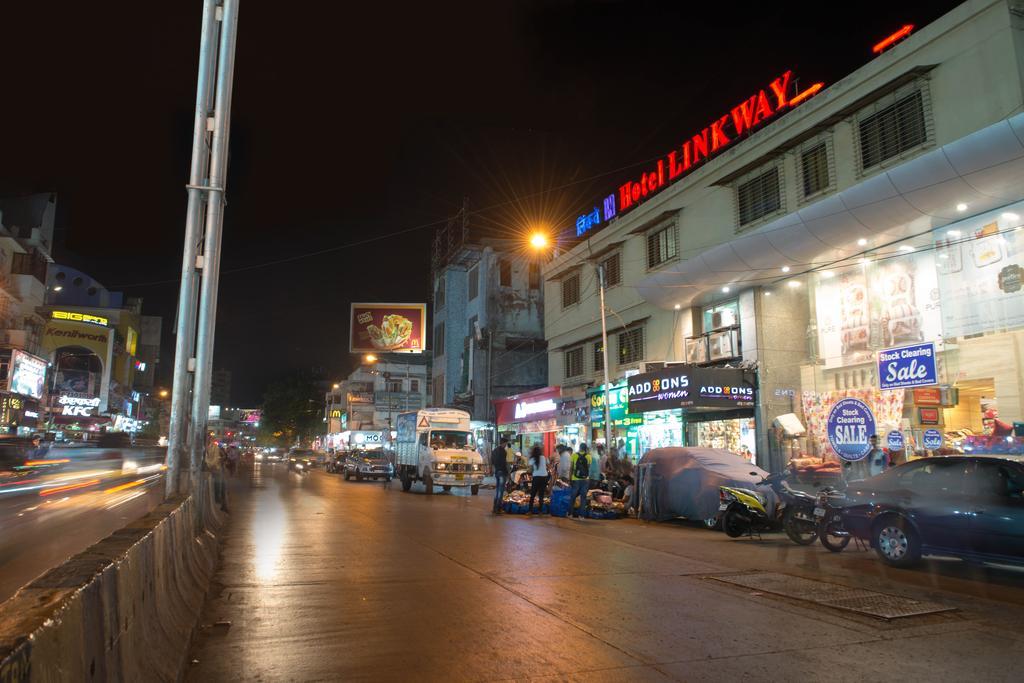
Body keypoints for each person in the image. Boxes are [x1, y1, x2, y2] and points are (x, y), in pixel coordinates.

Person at [204, 436, 228, 512]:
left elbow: (215, 459)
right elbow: (206, 458)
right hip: (210, 468)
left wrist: (210, 465)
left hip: (216, 469)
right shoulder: (204, 448)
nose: (208, 440)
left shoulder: (215, 448)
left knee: (219, 485)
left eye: (209, 439)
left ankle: (220, 502)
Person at [569, 443, 591, 519]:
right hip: (585, 479)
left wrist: (570, 478)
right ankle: (581, 515)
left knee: (573, 496)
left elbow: (571, 468)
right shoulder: (588, 456)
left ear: (579, 448)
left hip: (575, 478)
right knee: (583, 497)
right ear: (585, 448)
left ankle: (570, 514)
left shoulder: (574, 455)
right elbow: (588, 468)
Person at [527, 445, 549, 514]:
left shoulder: (532, 459)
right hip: (544, 477)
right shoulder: (544, 457)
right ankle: (540, 511)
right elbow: (548, 466)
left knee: (533, 493)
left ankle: (530, 510)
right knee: (541, 494)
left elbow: (530, 469)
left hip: (536, 477)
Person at [491, 438, 510, 514]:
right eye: (506, 444)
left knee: (497, 490)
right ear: (504, 443)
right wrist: (507, 472)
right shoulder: (503, 452)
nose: (506, 445)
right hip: (502, 472)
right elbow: (503, 463)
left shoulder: (494, 451)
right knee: (500, 491)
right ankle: (498, 509)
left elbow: (492, 461)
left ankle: (494, 507)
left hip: (497, 472)